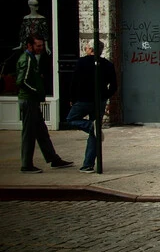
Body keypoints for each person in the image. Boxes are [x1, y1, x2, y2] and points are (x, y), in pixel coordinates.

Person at [16, 35, 72, 173]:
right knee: (29, 134)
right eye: (38, 46)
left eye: (41, 45)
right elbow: (21, 81)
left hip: (33, 101)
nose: (41, 48)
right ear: (30, 45)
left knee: (41, 132)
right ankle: (26, 165)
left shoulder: (33, 59)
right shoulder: (27, 59)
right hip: (28, 101)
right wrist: (35, 91)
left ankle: (53, 159)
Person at [66, 41, 118, 173]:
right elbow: (114, 86)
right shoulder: (107, 65)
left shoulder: (82, 62)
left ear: (90, 49)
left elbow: (74, 82)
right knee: (95, 134)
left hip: (84, 99)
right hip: (99, 100)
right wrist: (105, 95)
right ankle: (88, 164)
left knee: (71, 119)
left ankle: (90, 126)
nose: (86, 49)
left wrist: (72, 98)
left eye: (87, 48)